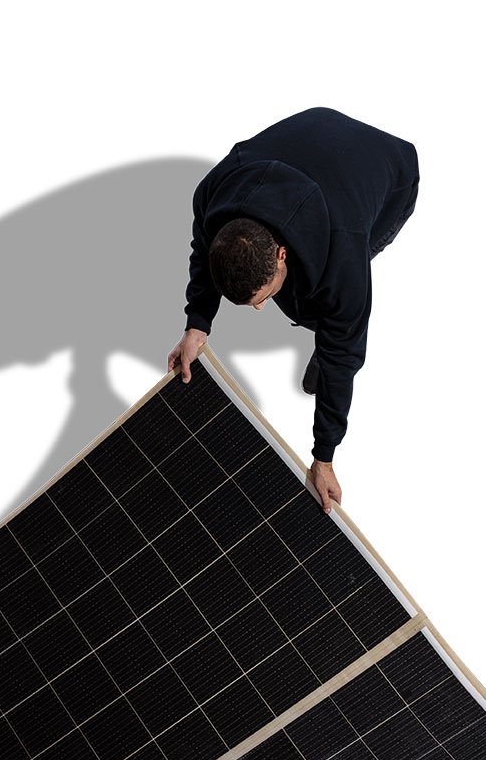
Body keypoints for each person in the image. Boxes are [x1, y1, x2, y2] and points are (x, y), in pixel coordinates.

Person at [168, 107, 419, 513]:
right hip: (316, 137)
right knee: (303, 298)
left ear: (281, 253)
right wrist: (197, 324)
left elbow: (346, 353)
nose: (261, 308)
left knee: (326, 316)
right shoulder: (213, 193)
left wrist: (324, 457)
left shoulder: (342, 253)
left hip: (391, 174)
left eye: (261, 296)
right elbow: (203, 252)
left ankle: (320, 334)